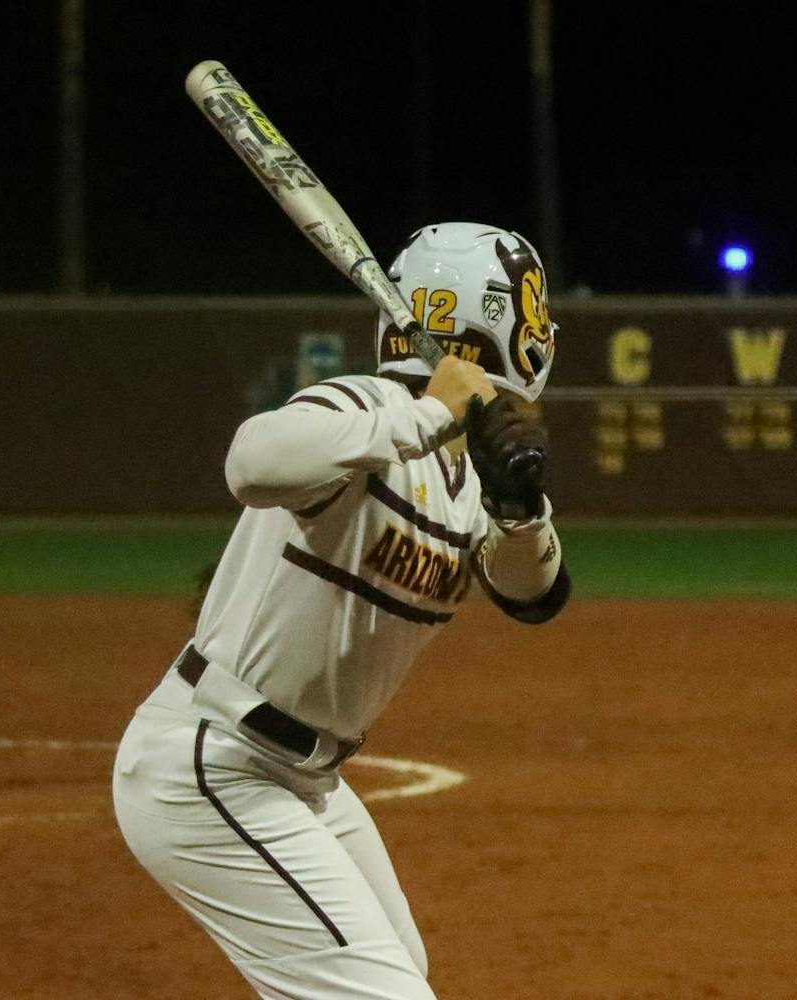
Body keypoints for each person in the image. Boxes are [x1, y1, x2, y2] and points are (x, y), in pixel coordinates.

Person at [112, 222, 571, 998]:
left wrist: (520, 508)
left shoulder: (466, 475)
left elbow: (533, 597)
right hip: (216, 763)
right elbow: (251, 461)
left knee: (400, 972)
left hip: (306, 778)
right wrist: (426, 416)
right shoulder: (365, 407)